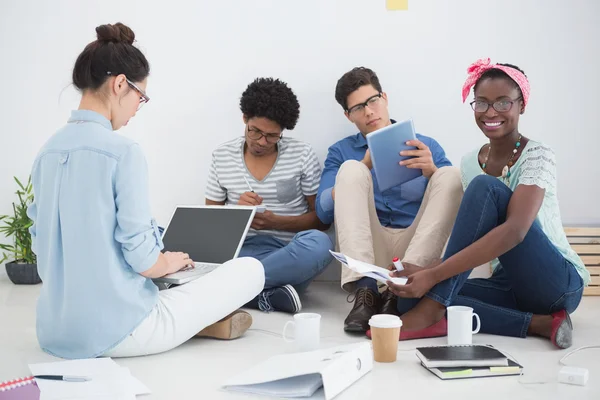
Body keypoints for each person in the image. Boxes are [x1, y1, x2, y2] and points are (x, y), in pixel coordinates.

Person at [27, 23, 265, 359]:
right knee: (251, 269)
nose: (139, 105)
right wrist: (165, 262)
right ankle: (204, 320)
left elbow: (42, 245)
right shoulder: (123, 152)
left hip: (53, 333)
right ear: (120, 84)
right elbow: (141, 258)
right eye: (141, 95)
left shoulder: (46, 152)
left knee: (169, 261)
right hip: (121, 332)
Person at [384, 58, 590, 349]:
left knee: (485, 189)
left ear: (522, 105)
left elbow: (516, 230)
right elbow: (473, 237)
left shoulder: (538, 154)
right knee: (411, 300)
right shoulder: (470, 162)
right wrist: (427, 271)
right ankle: (539, 323)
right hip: (509, 284)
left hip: (556, 284)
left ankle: (434, 310)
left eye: (503, 103)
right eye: (481, 103)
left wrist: (434, 275)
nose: (491, 112)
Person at [315, 67, 463, 333]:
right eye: (359, 107)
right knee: (349, 169)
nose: (369, 111)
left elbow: (453, 202)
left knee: (450, 175)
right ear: (349, 116)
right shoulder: (341, 151)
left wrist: (431, 172)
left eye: (372, 101)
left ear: (384, 98)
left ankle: (400, 291)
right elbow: (323, 211)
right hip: (367, 249)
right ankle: (366, 292)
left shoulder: (425, 145)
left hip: (416, 249)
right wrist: (363, 164)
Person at [205, 77, 334, 314]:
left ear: (283, 131)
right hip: (239, 253)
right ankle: (267, 295)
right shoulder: (222, 156)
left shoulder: (301, 154)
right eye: (255, 131)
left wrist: (277, 222)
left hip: (284, 255)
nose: (262, 142)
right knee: (162, 236)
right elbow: (210, 223)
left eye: (272, 136)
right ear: (245, 118)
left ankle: (224, 289)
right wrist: (237, 214)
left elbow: (322, 220)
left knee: (320, 244)